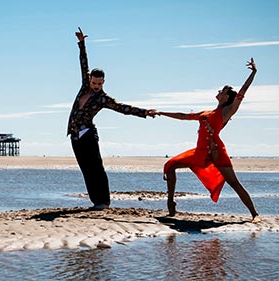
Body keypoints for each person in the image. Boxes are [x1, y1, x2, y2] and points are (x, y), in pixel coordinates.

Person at [158, 58, 259, 220]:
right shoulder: (206, 113)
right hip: (200, 152)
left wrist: (254, 73)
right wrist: (161, 112)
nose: (219, 91)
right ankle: (171, 204)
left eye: (222, 91)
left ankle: (254, 214)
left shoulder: (226, 112)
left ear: (226, 97)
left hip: (217, 152)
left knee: (234, 183)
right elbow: (184, 116)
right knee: (170, 166)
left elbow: (242, 92)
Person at [67, 27, 156, 210]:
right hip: (74, 135)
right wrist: (82, 44)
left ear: (104, 82)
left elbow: (123, 108)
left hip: (88, 135)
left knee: (96, 168)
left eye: (100, 83)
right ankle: (96, 202)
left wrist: (145, 112)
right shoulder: (84, 87)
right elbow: (83, 63)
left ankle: (104, 202)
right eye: (94, 82)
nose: (97, 86)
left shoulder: (103, 98)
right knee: (86, 170)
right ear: (90, 79)